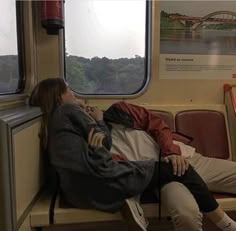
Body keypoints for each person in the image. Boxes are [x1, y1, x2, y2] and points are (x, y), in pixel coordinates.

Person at [29, 78, 236, 231]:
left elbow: (158, 125)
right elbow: (94, 173)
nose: (76, 97)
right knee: (187, 215)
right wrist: (96, 125)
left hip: (184, 158)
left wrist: (172, 152)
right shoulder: (84, 143)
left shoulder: (120, 110)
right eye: (71, 93)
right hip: (159, 177)